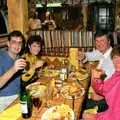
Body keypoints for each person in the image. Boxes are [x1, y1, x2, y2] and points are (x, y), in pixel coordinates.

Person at [77, 30, 115, 116]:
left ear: (109, 41)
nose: (99, 44)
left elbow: (112, 85)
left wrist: (100, 95)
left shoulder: (112, 59)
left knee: (77, 104)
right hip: (96, 90)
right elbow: (91, 55)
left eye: (102, 40)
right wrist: (83, 55)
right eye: (97, 41)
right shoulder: (102, 52)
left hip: (105, 100)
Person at [83, 47, 120, 120]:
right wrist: (97, 79)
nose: (117, 61)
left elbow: (116, 115)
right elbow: (103, 89)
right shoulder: (116, 74)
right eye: (115, 57)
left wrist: (95, 117)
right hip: (109, 111)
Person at [0, 30, 26, 96]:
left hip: (18, 94)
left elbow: (23, 78)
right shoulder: (1, 58)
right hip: (5, 98)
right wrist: (13, 69)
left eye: (20, 42)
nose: (17, 45)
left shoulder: (19, 58)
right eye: (14, 42)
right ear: (8, 43)